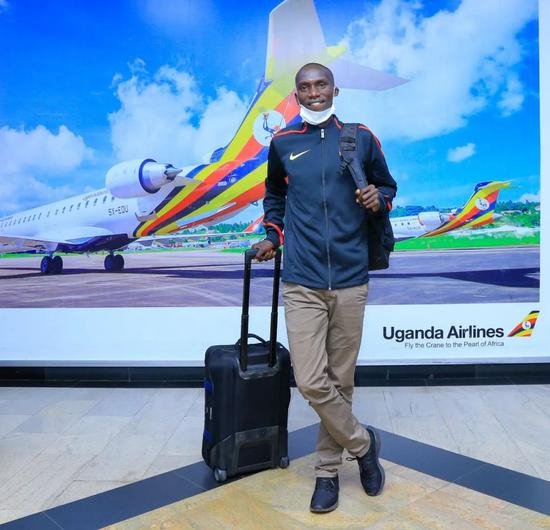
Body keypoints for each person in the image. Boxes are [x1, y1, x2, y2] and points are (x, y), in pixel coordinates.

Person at [252, 62, 397, 513]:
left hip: (351, 278)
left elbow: (387, 187)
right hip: (302, 279)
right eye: (305, 87)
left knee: (341, 380)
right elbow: (275, 198)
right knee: (312, 381)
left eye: (321, 84)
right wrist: (272, 235)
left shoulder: (361, 137)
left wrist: (379, 198)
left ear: (335, 90)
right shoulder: (283, 143)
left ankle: (327, 473)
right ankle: (364, 445)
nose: (314, 92)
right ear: (296, 95)